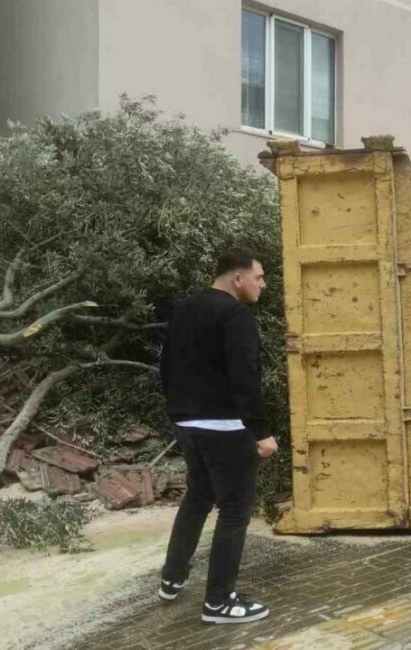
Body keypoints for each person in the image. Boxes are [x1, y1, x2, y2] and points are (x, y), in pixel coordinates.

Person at [159, 247, 276, 624]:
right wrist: (261, 432)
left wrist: (179, 413)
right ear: (237, 278)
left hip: (187, 424)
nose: (263, 284)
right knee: (235, 512)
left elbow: (165, 367)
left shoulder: (183, 310)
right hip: (225, 428)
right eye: (258, 277)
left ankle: (172, 578)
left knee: (198, 498)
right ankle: (220, 602)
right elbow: (246, 378)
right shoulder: (235, 314)